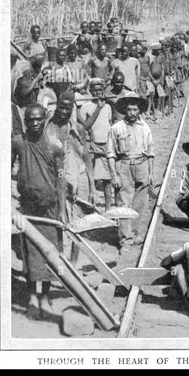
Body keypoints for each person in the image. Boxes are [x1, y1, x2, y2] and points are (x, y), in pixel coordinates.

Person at [12, 103, 66, 319]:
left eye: (38, 119)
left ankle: (45, 297)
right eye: (30, 120)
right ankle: (33, 297)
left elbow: (61, 181)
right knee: (30, 254)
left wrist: (62, 210)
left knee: (50, 254)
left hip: (50, 208)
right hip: (28, 208)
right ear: (25, 122)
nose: (34, 123)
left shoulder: (54, 145)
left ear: (45, 120)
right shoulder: (18, 143)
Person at [106, 91, 153, 251]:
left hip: (142, 165)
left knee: (139, 203)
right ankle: (125, 240)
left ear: (139, 110)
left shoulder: (145, 128)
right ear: (124, 110)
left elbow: (150, 152)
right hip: (124, 166)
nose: (132, 113)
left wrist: (151, 173)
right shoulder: (116, 128)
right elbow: (110, 153)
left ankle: (133, 233)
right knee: (124, 203)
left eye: (135, 110)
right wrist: (114, 175)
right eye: (129, 110)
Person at [45, 91, 96, 221]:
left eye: (67, 109)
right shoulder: (47, 126)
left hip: (78, 174)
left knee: (80, 219)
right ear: (57, 106)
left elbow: (86, 156)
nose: (63, 111)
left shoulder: (78, 129)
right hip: (56, 176)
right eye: (61, 107)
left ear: (72, 109)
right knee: (61, 217)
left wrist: (92, 187)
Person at [81, 78, 113, 211]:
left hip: (106, 144)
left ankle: (108, 207)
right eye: (95, 90)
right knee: (91, 177)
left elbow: (109, 124)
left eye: (101, 90)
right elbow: (85, 126)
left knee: (107, 178)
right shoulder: (86, 106)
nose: (98, 93)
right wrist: (98, 108)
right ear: (90, 91)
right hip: (92, 145)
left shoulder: (108, 106)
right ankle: (90, 206)